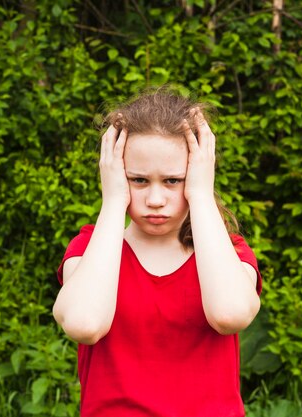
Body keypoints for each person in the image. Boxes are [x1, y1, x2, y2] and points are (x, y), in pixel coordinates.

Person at [53, 88, 262, 417]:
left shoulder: (227, 252)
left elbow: (230, 315)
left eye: (172, 181)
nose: (154, 199)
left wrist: (201, 197)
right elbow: (84, 324)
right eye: (138, 180)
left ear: (197, 174)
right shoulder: (92, 250)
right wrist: (112, 203)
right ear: (116, 174)